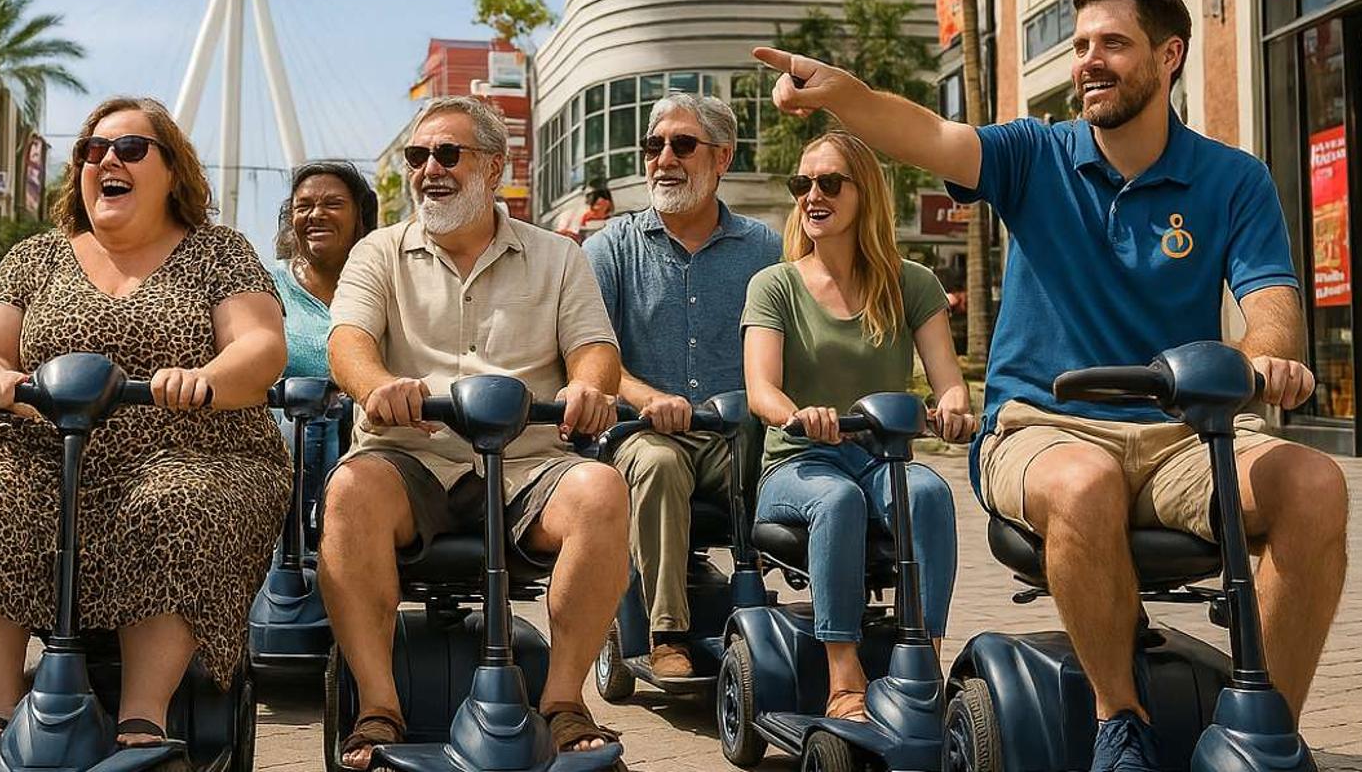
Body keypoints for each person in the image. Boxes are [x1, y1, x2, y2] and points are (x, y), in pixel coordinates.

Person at [755, 0, 1346, 771]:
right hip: (1040, 427)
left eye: (1113, 43)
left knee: (1314, 484)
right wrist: (846, 96)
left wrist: (1265, 357)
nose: (1089, 60)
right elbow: (929, 134)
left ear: (1169, 56)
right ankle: (1119, 723)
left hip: (1179, 436)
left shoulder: (1231, 179)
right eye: (1081, 45)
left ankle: (1268, 732)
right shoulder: (1035, 154)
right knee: (1084, 480)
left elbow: (1272, 306)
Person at [0, 97, 291, 749]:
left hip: (193, 447)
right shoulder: (37, 257)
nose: (107, 160)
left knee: (176, 500)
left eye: (129, 148)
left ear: (173, 171)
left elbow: (261, 346)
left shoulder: (219, 252)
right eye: (93, 150)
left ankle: (143, 713)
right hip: (50, 452)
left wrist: (207, 379)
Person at [321, 95, 631, 771]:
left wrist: (587, 386)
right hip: (411, 458)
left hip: (526, 463)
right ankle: (378, 706)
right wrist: (377, 386)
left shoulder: (559, 256)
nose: (428, 168)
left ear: (494, 167)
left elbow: (594, 349)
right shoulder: (378, 252)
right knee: (348, 490)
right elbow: (348, 342)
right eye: (417, 155)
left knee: (602, 488)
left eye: (447, 153)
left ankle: (564, 702)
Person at [740, 130, 975, 720]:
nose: (811, 195)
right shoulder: (775, 285)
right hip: (799, 462)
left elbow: (948, 379)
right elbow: (761, 390)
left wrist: (952, 406)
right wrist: (799, 415)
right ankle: (843, 678)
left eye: (828, 183)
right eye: (802, 184)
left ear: (864, 193)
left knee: (929, 493)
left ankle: (922, 666)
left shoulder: (911, 283)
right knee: (837, 500)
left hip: (880, 459)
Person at [582, 92, 780, 679]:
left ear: (723, 157)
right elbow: (590, 352)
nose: (664, 158)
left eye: (683, 144)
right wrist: (648, 399)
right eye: (654, 145)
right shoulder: (610, 249)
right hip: (641, 436)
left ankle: (805, 626)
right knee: (661, 462)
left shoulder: (767, 250)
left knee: (798, 466)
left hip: (732, 436)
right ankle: (667, 632)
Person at [272, 160, 380, 528]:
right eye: (303, 206)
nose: (316, 214)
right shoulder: (265, 286)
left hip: (364, 436)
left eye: (333, 204)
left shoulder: (386, 287)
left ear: (360, 216)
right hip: (288, 440)